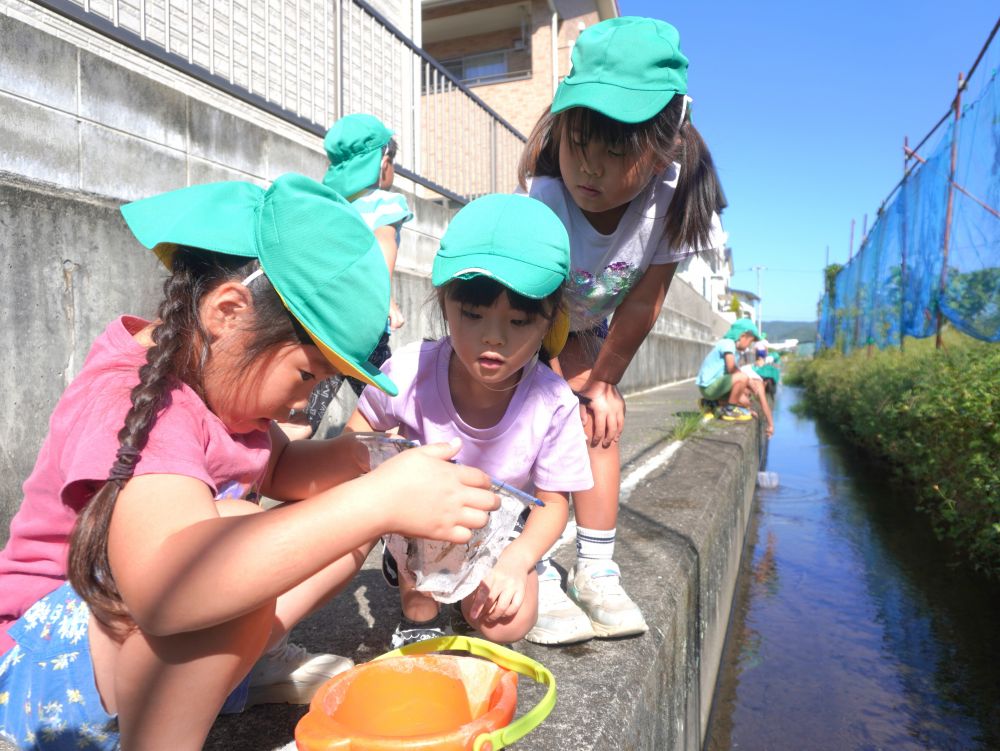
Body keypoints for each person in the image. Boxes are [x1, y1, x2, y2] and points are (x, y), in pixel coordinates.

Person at [0, 174, 497, 750]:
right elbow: (169, 586)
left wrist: (374, 465)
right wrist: (377, 499)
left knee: (345, 517)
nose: (302, 402)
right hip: (38, 672)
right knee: (240, 536)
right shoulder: (137, 400)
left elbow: (284, 469)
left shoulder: (223, 394)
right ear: (228, 311)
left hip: (120, 650)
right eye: (307, 376)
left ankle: (226, 670)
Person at [515, 16, 728, 639]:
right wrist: (555, 380)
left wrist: (602, 383)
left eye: (617, 150)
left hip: (594, 324)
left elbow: (643, 303)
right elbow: (533, 299)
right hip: (535, 316)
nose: (591, 168)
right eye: (580, 142)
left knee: (599, 419)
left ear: (666, 140)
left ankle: (596, 568)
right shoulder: (547, 191)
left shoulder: (678, 193)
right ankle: (536, 565)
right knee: (538, 421)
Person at [345, 194, 597, 647]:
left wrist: (517, 560)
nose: (493, 337)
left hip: (498, 530)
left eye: (519, 321)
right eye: (473, 315)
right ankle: (409, 581)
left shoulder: (552, 400)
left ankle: (486, 578)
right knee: (422, 609)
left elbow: (554, 503)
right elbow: (354, 439)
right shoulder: (409, 371)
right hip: (419, 520)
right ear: (445, 304)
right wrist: (385, 491)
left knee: (506, 623)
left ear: (548, 324)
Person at [294, 113, 414, 438]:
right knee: (389, 405)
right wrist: (383, 295)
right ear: (382, 162)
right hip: (363, 329)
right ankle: (401, 473)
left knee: (303, 411)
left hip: (321, 324)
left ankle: (253, 481)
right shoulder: (383, 203)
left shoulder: (324, 205)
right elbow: (383, 241)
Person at [697, 319, 774, 437]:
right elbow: (732, 368)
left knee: (745, 401)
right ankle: (729, 410)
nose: (750, 345)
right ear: (743, 336)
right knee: (742, 377)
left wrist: (747, 407)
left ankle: (710, 403)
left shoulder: (734, 350)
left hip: (716, 388)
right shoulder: (728, 343)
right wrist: (748, 380)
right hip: (709, 386)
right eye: (750, 341)